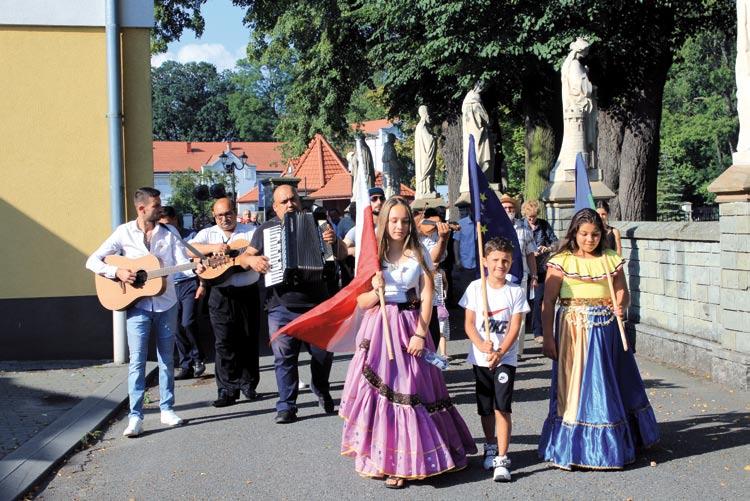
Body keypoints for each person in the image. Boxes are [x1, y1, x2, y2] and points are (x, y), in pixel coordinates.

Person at [339, 196, 477, 489]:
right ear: (384, 222)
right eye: (393, 220)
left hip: (411, 326)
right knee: (386, 395)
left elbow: (428, 295)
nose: (399, 226)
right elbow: (360, 300)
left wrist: (420, 331)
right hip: (380, 329)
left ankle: (417, 457)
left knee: (411, 390)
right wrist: (377, 291)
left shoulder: (420, 253)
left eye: (404, 220)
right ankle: (392, 463)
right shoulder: (372, 256)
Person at [538, 208, 659, 470]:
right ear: (575, 233)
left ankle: (610, 445)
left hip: (606, 330)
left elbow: (622, 293)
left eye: (594, 234)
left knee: (606, 383)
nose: (589, 239)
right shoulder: (562, 261)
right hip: (573, 331)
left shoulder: (610, 259)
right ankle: (572, 445)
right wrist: (548, 337)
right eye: (584, 234)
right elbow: (548, 301)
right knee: (575, 387)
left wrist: (620, 305)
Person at [86, 187, 197, 436]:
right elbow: (92, 261)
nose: (161, 209)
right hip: (137, 307)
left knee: (167, 359)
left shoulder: (169, 232)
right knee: (136, 361)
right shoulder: (123, 233)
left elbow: (182, 266)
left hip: (167, 303)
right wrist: (117, 272)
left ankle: (167, 409)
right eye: (156, 205)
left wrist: (199, 268)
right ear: (142, 208)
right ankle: (135, 417)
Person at [240, 185, 349, 424]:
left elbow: (341, 254)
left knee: (323, 354)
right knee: (283, 357)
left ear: (299, 201)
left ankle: (320, 387)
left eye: (293, 199)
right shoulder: (265, 230)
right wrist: (253, 259)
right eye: (284, 201)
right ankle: (286, 405)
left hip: (317, 303)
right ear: (275, 207)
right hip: (281, 306)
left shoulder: (320, 222)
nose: (290, 204)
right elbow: (243, 258)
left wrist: (335, 240)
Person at [459, 237, 530, 481]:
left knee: (502, 406)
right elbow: (468, 324)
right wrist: (481, 344)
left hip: (504, 359)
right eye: (496, 260)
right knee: (485, 407)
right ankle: (490, 445)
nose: (501, 264)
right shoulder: (475, 289)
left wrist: (500, 353)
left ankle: (502, 457)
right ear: (485, 261)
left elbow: (515, 328)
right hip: (480, 359)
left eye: (506, 260)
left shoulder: (515, 292)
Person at [190, 198, 261, 407]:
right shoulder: (207, 234)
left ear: (235, 211)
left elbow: (260, 250)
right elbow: (189, 250)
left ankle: (248, 385)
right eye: (220, 215)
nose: (224, 218)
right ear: (214, 216)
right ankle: (227, 389)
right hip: (220, 294)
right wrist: (213, 248)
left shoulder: (250, 231)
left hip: (247, 292)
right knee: (224, 342)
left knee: (248, 339)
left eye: (228, 213)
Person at [159, 206, 206, 380]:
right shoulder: (160, 238)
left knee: (187, 322)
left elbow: (199, 260)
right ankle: (185, 365)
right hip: (170, 286)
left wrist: (202, 284)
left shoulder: (190, 236)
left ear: (175, 221)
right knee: (176, 326)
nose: (164, 228)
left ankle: (198, 358)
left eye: (167, 224)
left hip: (188, 284)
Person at [500, 195, 537, 357]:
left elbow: (530, 254)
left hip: (520, 276)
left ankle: (517, 349)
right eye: (505, 208)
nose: (508, 211)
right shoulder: (494, 227)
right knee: (501, 312)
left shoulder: (524, 228)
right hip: (499, 277)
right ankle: (501, 345)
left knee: (519, 314)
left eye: (511, 208)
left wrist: (534, 274)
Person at [519, 200, 558, 344]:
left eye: (534, 217)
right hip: (523, 269)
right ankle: (521, 330)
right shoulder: (519, 225)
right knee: (523, 301)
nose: (532, 220)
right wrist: (529, 252)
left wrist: (547, 248)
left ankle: (537, 332)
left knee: (538, 300)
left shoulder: (543, 225)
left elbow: (555, 242)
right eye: (529, 217)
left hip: (541, 268)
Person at [343, 187, 385, 256]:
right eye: (374, 199)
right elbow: (342, 250)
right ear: (367, 202)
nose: (379, 202)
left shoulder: (390, 226)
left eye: (381, 198)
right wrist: (357, 250)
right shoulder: (360, 229)